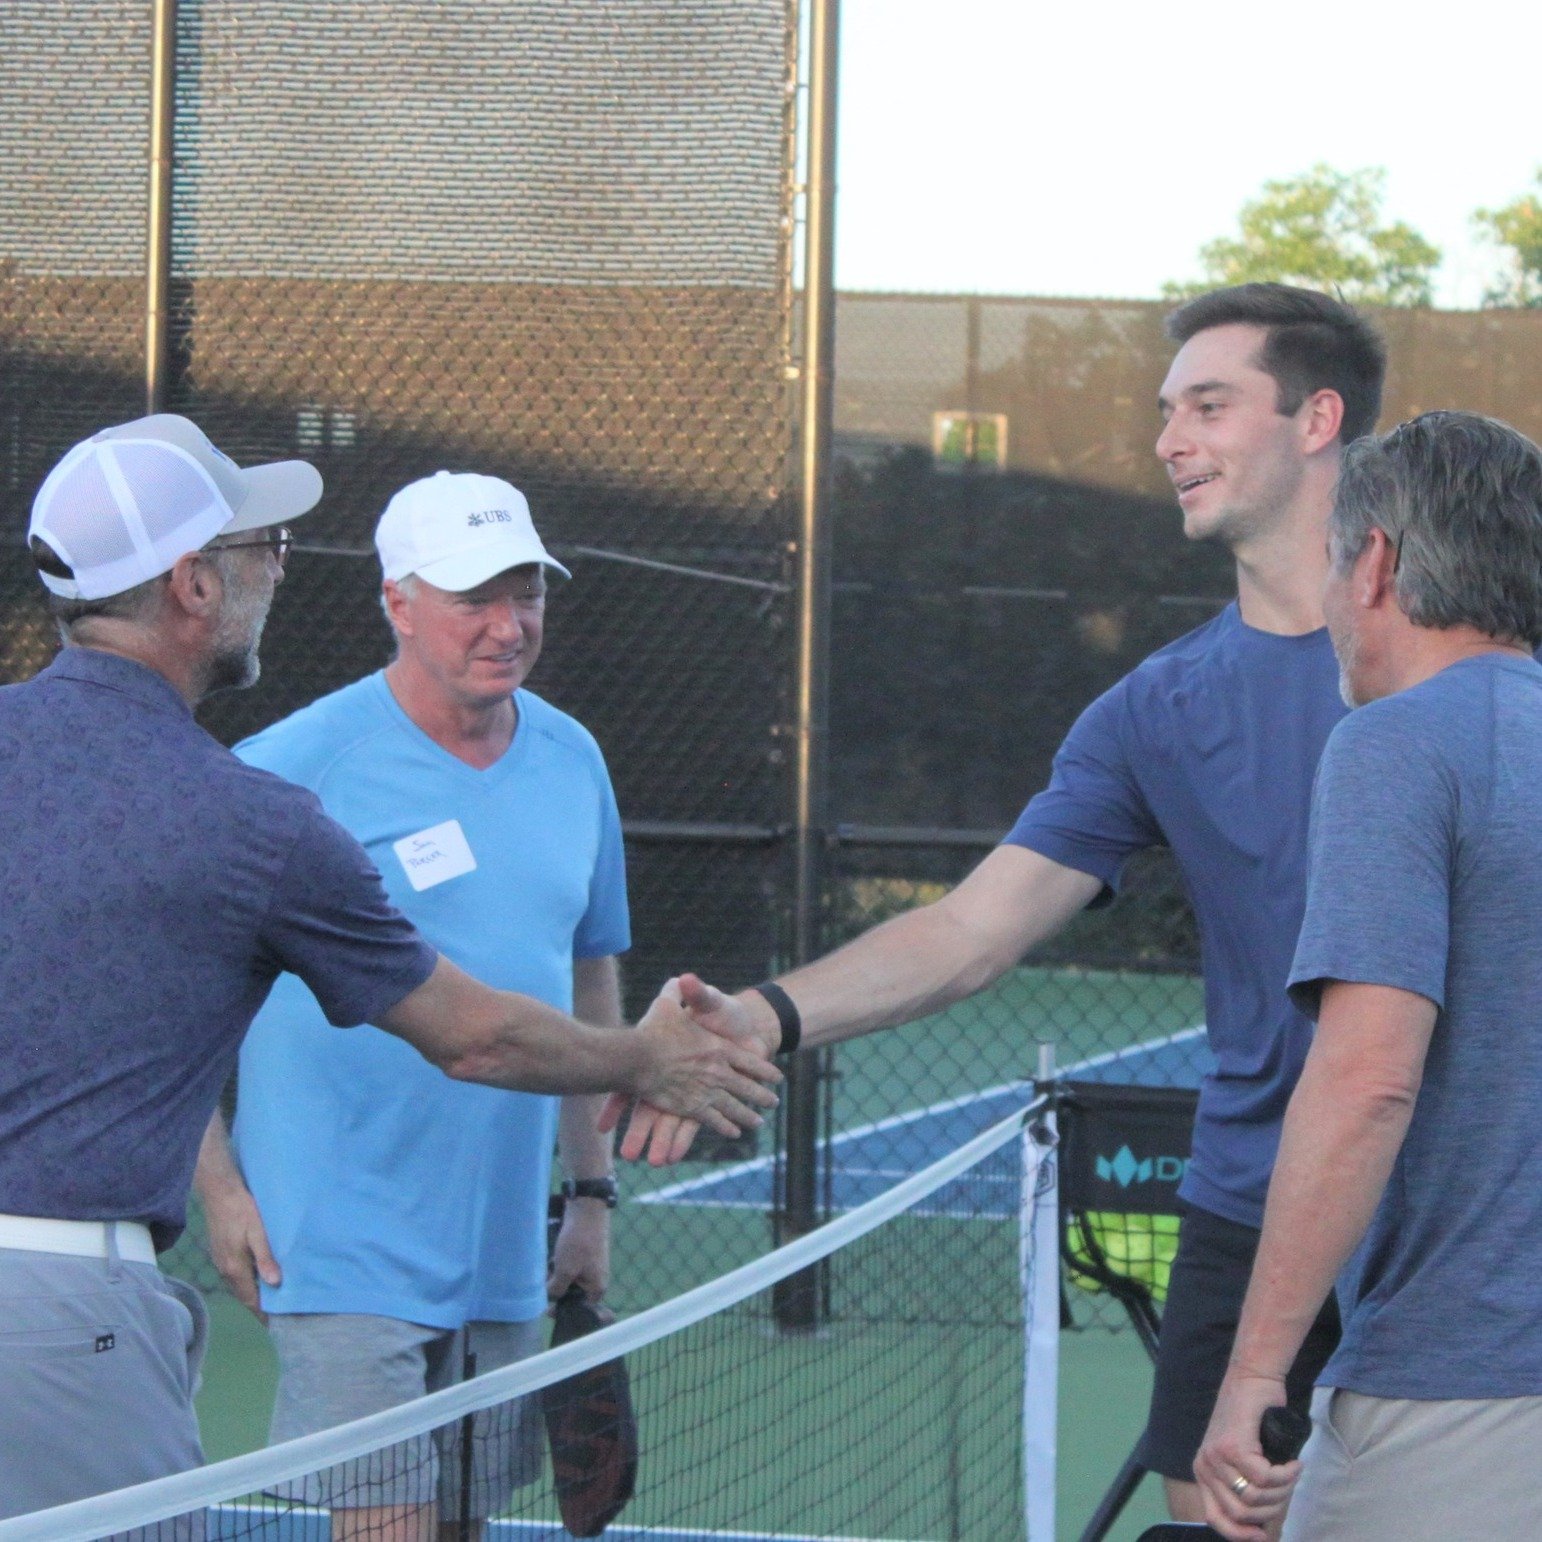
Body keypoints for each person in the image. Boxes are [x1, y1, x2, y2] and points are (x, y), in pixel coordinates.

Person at [617, 284, 1387, 1521]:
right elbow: (973, 930)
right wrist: (759, 1016)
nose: (1168, 440)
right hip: (1250, 1212)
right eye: (1164, 412)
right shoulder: (1155, 712)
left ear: (1318, 420)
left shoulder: (1477, 666)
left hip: (1468, 1221)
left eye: (1209, 405)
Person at [0, 416, 779, 1522]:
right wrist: (650, 1060)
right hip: (86, 1315)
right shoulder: (258, 813)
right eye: (261, 549)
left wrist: (589, 1189)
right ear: (193, 587)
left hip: (432, 1264)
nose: (278, 567)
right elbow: (474, 1034)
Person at [194, 470, 630, 1538]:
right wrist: (219, 1188)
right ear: (398, 603)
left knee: (461, 1529)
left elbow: (587, 976)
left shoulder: (574, 758)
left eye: (526, 592)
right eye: (475, 596)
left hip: (501, 1247)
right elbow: (181, 994)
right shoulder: (287, 770)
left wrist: (590, 1192)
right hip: (337, 1240)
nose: (508, 624)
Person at [1194, 412, 1542, 1542]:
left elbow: (1366, 1082)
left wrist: (1256, 1371)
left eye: (1336, 562)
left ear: (1378, 562)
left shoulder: (1399, 745)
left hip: (1460, 1394)